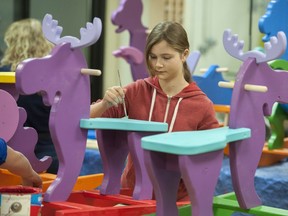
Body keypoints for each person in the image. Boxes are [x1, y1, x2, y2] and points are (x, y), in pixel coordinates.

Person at [90, 21, 219, 201]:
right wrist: (105, 103)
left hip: (178, 201)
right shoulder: (136, 90)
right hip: (133, 195)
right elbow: (87, 117)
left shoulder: (202, 104)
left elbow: (210, 160)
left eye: (166, 58)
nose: (158, 64)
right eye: (153, 57)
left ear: (184, 55)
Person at [0, 18, 58, 174]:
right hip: (53, 156)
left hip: (10, 157)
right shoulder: (53, 77)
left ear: (12, 42)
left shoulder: (4, 75)